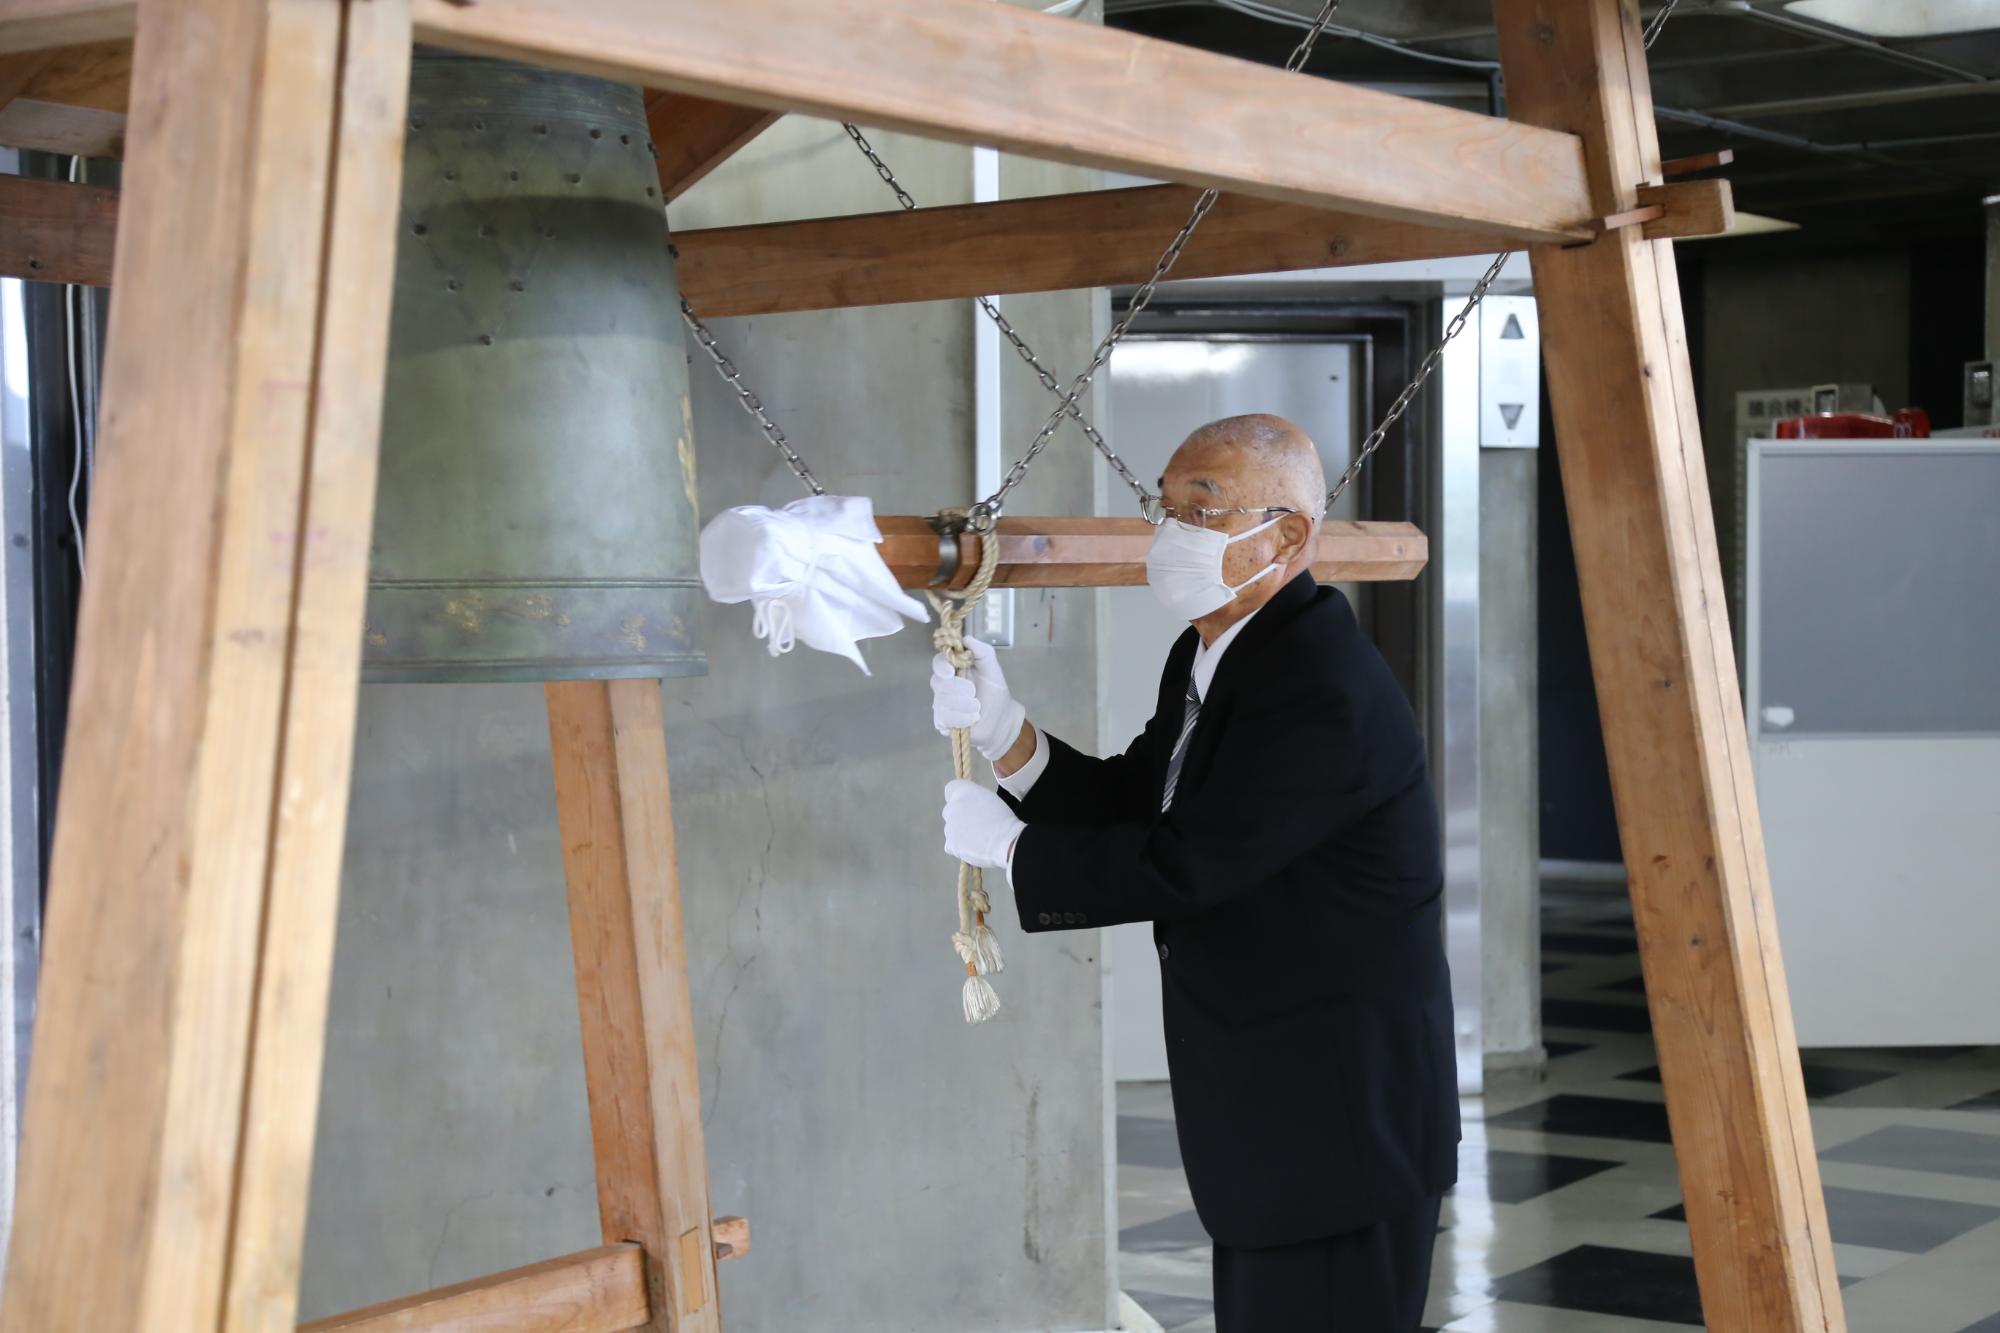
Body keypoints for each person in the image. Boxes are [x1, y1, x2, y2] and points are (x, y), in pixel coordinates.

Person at [933, 414, 1456, 1332]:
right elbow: (1146, 796)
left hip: (1340, 1122)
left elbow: (1192, 861)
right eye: (1163, 505)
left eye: (1200, 509)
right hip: (1275, 1113)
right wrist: (1007, 736)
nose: (1169, 531)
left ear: (1287, 535)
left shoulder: (1320, 685)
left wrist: (1014, 850)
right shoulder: (1217, 650)